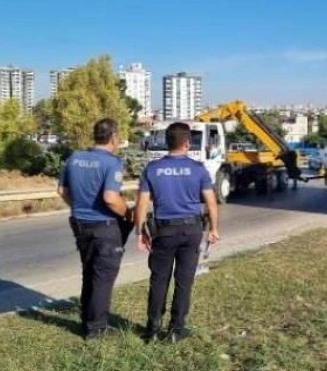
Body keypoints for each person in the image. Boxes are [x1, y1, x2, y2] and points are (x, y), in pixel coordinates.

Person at [134, 122, 220, 343]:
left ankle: (152, 330)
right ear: (187, 143)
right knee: (184, 281)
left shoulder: (152, 169)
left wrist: (140, 232)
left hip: (164, 231)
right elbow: (211, 203)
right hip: (191, 230)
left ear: (167, 142)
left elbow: (142, 204)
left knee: (159, 280)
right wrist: (214, 229)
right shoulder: (198, 169)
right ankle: (175, 330)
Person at [57, 118, 133, 341]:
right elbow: (110, 198)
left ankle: (87, 319)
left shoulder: (75, 158)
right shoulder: (112, 163)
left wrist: (79, 207)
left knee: (89, 272)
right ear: (113, 138)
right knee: (103, 278)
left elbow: (62, 190)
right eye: (118, 137)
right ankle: (97, 329)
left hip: (80, 223)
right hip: (104, 227)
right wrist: (128, 214)